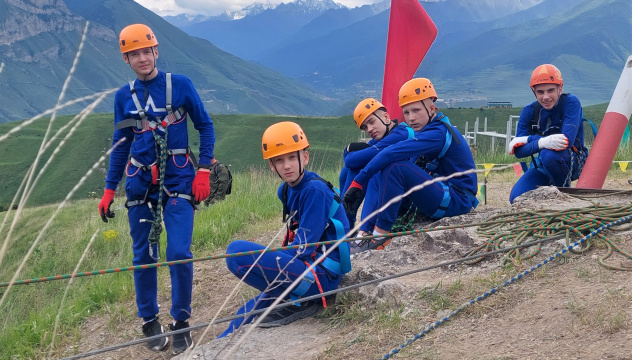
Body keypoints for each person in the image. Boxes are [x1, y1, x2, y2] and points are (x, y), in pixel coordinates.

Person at [97, 23, 217, 354]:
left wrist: (203, 170)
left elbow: (205, 126)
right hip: (139, 184)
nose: (141, 58)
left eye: (145, 51)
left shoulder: (181, 86)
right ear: (126, 59)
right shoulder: (124, 97)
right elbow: (121, 143)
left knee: (178, 251)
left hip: (179, 179)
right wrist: (110, 188)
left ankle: (181, 322)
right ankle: (150, 321)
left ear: (156, 51)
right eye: (133, 54)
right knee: (144, 254)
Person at [219, 121, 351, 337]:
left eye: (292, 157)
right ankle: (291, 298)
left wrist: (268, 258)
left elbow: (303, 248)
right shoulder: (286, 191)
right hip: (307, 268)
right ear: (272, 166)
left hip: (321, 277)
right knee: (245, 315)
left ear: (305, 157)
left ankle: (301, 301)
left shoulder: (314, 190)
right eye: (279, 160)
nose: (287, 165)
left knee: (236, 253)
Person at [342, 78, 479, 253]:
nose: (411, 118)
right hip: (440, 192)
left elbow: (391, 153)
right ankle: (364, 233)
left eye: (416, 110)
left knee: (394, 166)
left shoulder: (438, 133)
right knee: (383, 168)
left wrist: (359, 181)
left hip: (456, 200)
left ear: (431, 108)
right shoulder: (425, 130)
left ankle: (379, 235)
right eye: (406, 112)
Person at [508, 64, 588, 203]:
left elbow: (565, 141)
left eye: (550, 90)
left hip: (573, 161)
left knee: (548, 154)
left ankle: (562, 196)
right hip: (543, 164)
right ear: (534, 92)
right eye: (540, 92)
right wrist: (542, 142)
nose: (546, 97)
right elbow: (519, 152)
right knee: (516, 198)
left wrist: (530, 140)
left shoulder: (571, 103)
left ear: (560, 88)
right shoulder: (529, 112)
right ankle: (551, 186)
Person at [339, 98, 415, 242]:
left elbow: (350, 158)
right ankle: (345, 226)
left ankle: (363, 230)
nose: (370, 130)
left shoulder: (403, 134)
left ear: (386, 117)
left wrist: (348, 149)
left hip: (407, 195)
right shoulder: (381, 138)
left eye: (372, 122)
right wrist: (349, 152)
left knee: (375, 171)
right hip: (393, 194)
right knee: (348, 171)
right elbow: (350, 163)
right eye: (365, 127)